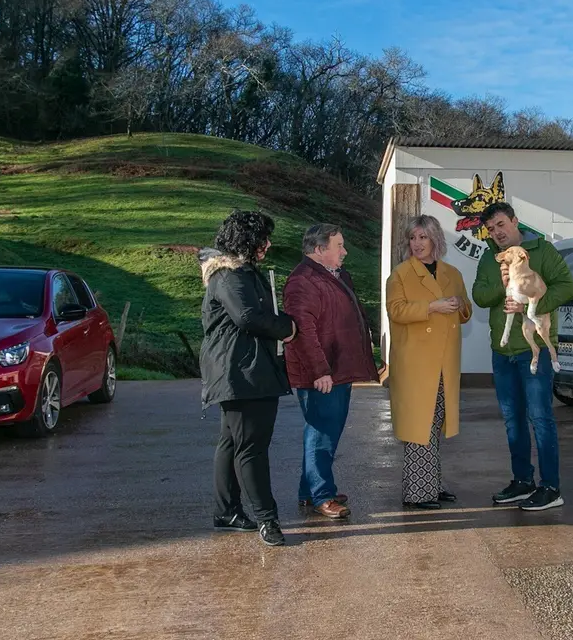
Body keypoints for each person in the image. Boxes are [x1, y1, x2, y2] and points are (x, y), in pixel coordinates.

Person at [199, 210, 298, 547]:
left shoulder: (237, 273)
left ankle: (226, 511)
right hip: (243, 373)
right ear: (247, 241)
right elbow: (247, 317)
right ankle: (267, 520)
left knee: (232, 442)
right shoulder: (230, 276)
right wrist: (288, 327)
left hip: (240, 371)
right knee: (252, 448)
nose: (267, 245)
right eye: (262, 239)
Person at [471, 202, 573, 511]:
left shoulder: (542, 251)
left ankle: (551, 488)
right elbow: (479, 296)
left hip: (535, 351)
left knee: (540, 419)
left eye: (501, 224)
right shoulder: (489, 258)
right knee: (512, 420)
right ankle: (522, 481)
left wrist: (532, 305)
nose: (497, 232)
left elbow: (567, 287)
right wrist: (502, 285)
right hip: (502, 353)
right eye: (491, 229)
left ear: (515, 221)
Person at [283, 223, 378, 519]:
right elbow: (303, 331)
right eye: (339, 246)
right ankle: (322, 495)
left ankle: (309, 490)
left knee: (327, 432)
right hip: (323, 374)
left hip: (339, 369)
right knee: (321, 433)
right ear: (319, 249)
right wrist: (320, 371)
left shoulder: (336, 275)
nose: (345, 251)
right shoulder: (303, 280)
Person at [385, 215, 473, 510]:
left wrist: (460, 305)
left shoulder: (452, 273)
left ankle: (431, 484)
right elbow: (396, 310)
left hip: (444, 362)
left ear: (435, 239)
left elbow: (466, 311)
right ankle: (418, 493)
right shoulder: (400, 274)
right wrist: (432, 306)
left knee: (433, 424)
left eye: (423, 237)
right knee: (419, 426)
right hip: (415, 363)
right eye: (413, 238)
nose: (417, 243)